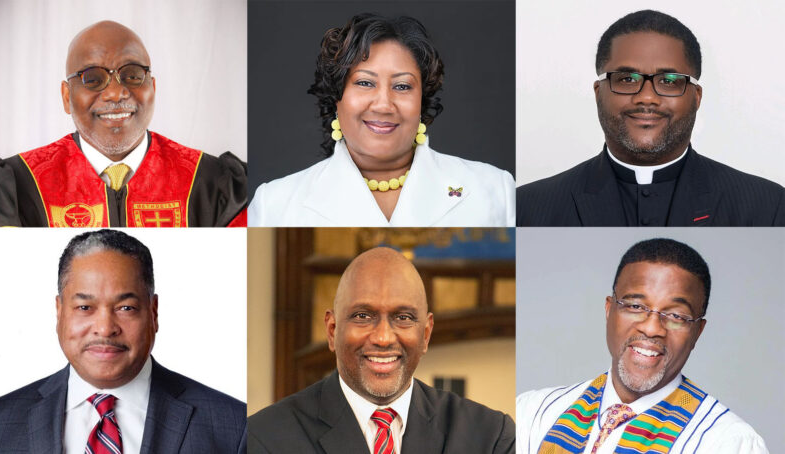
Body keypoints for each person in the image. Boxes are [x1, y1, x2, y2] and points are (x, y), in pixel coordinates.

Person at [0, 230, 246, 452]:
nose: (105, 328)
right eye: (85, 308)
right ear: (59, 312)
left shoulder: (234, 428)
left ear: (153, 312)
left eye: (125, 308)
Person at [516, 10, 784, 226]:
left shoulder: (768, 208)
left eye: (668, 81)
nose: (646, 97)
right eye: (627, 79)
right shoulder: (528, 207)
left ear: (697, 96)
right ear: (599, 93)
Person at [248, 14, 515, 227]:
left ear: (422, 100)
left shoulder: (494, 190)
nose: (384, 105)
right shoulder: (275, 204)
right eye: (365, 83)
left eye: (402, 86)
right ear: (336, 97)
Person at [0, 21, 247, 227]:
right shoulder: (13, 187)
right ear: (66, 97)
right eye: (92, 79)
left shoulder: (215, 185)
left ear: (153, 88)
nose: (116, 93)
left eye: (132, 75)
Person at [248, 247, 514, 453]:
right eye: (363, 316)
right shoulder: (264, 439)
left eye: (404, 317)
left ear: (425, 334)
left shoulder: (490, 437)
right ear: (332, 330)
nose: (384, 338)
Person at [516, 238, 767, 453]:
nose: (652, 328)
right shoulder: (534, 414)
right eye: (635, 306)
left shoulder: (726, 443)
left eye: (676, 315)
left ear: (697, 332)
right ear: (608, 309)